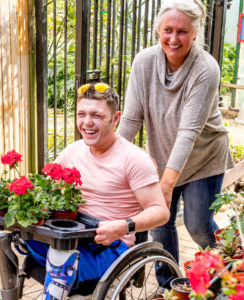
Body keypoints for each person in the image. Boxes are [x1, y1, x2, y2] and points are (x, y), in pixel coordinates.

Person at [117, 0, 234, 289]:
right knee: (161, 224)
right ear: (158, 30)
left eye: (182, 31)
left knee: (197, 225)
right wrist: (108, 158)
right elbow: (131, 119)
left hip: (204, 157)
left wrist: (166, 185)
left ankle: (226, 278)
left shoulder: (206, 69)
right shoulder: (144, 62)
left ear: (195, 34)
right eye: (168, 30)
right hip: (164, 155)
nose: (173, 38)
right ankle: (168, 285)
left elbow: (189, 132)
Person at [36, 82, 169, 300]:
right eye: (81, 114)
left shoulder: (133, 160)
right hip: (74, 234)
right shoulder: (74, 150)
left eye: (96, 115)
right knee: (13, 236)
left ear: (115, 119)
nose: (86, 122)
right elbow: (47, 187)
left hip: (110, 247)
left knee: (61, 255)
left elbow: (161, 212)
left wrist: (123, 226)